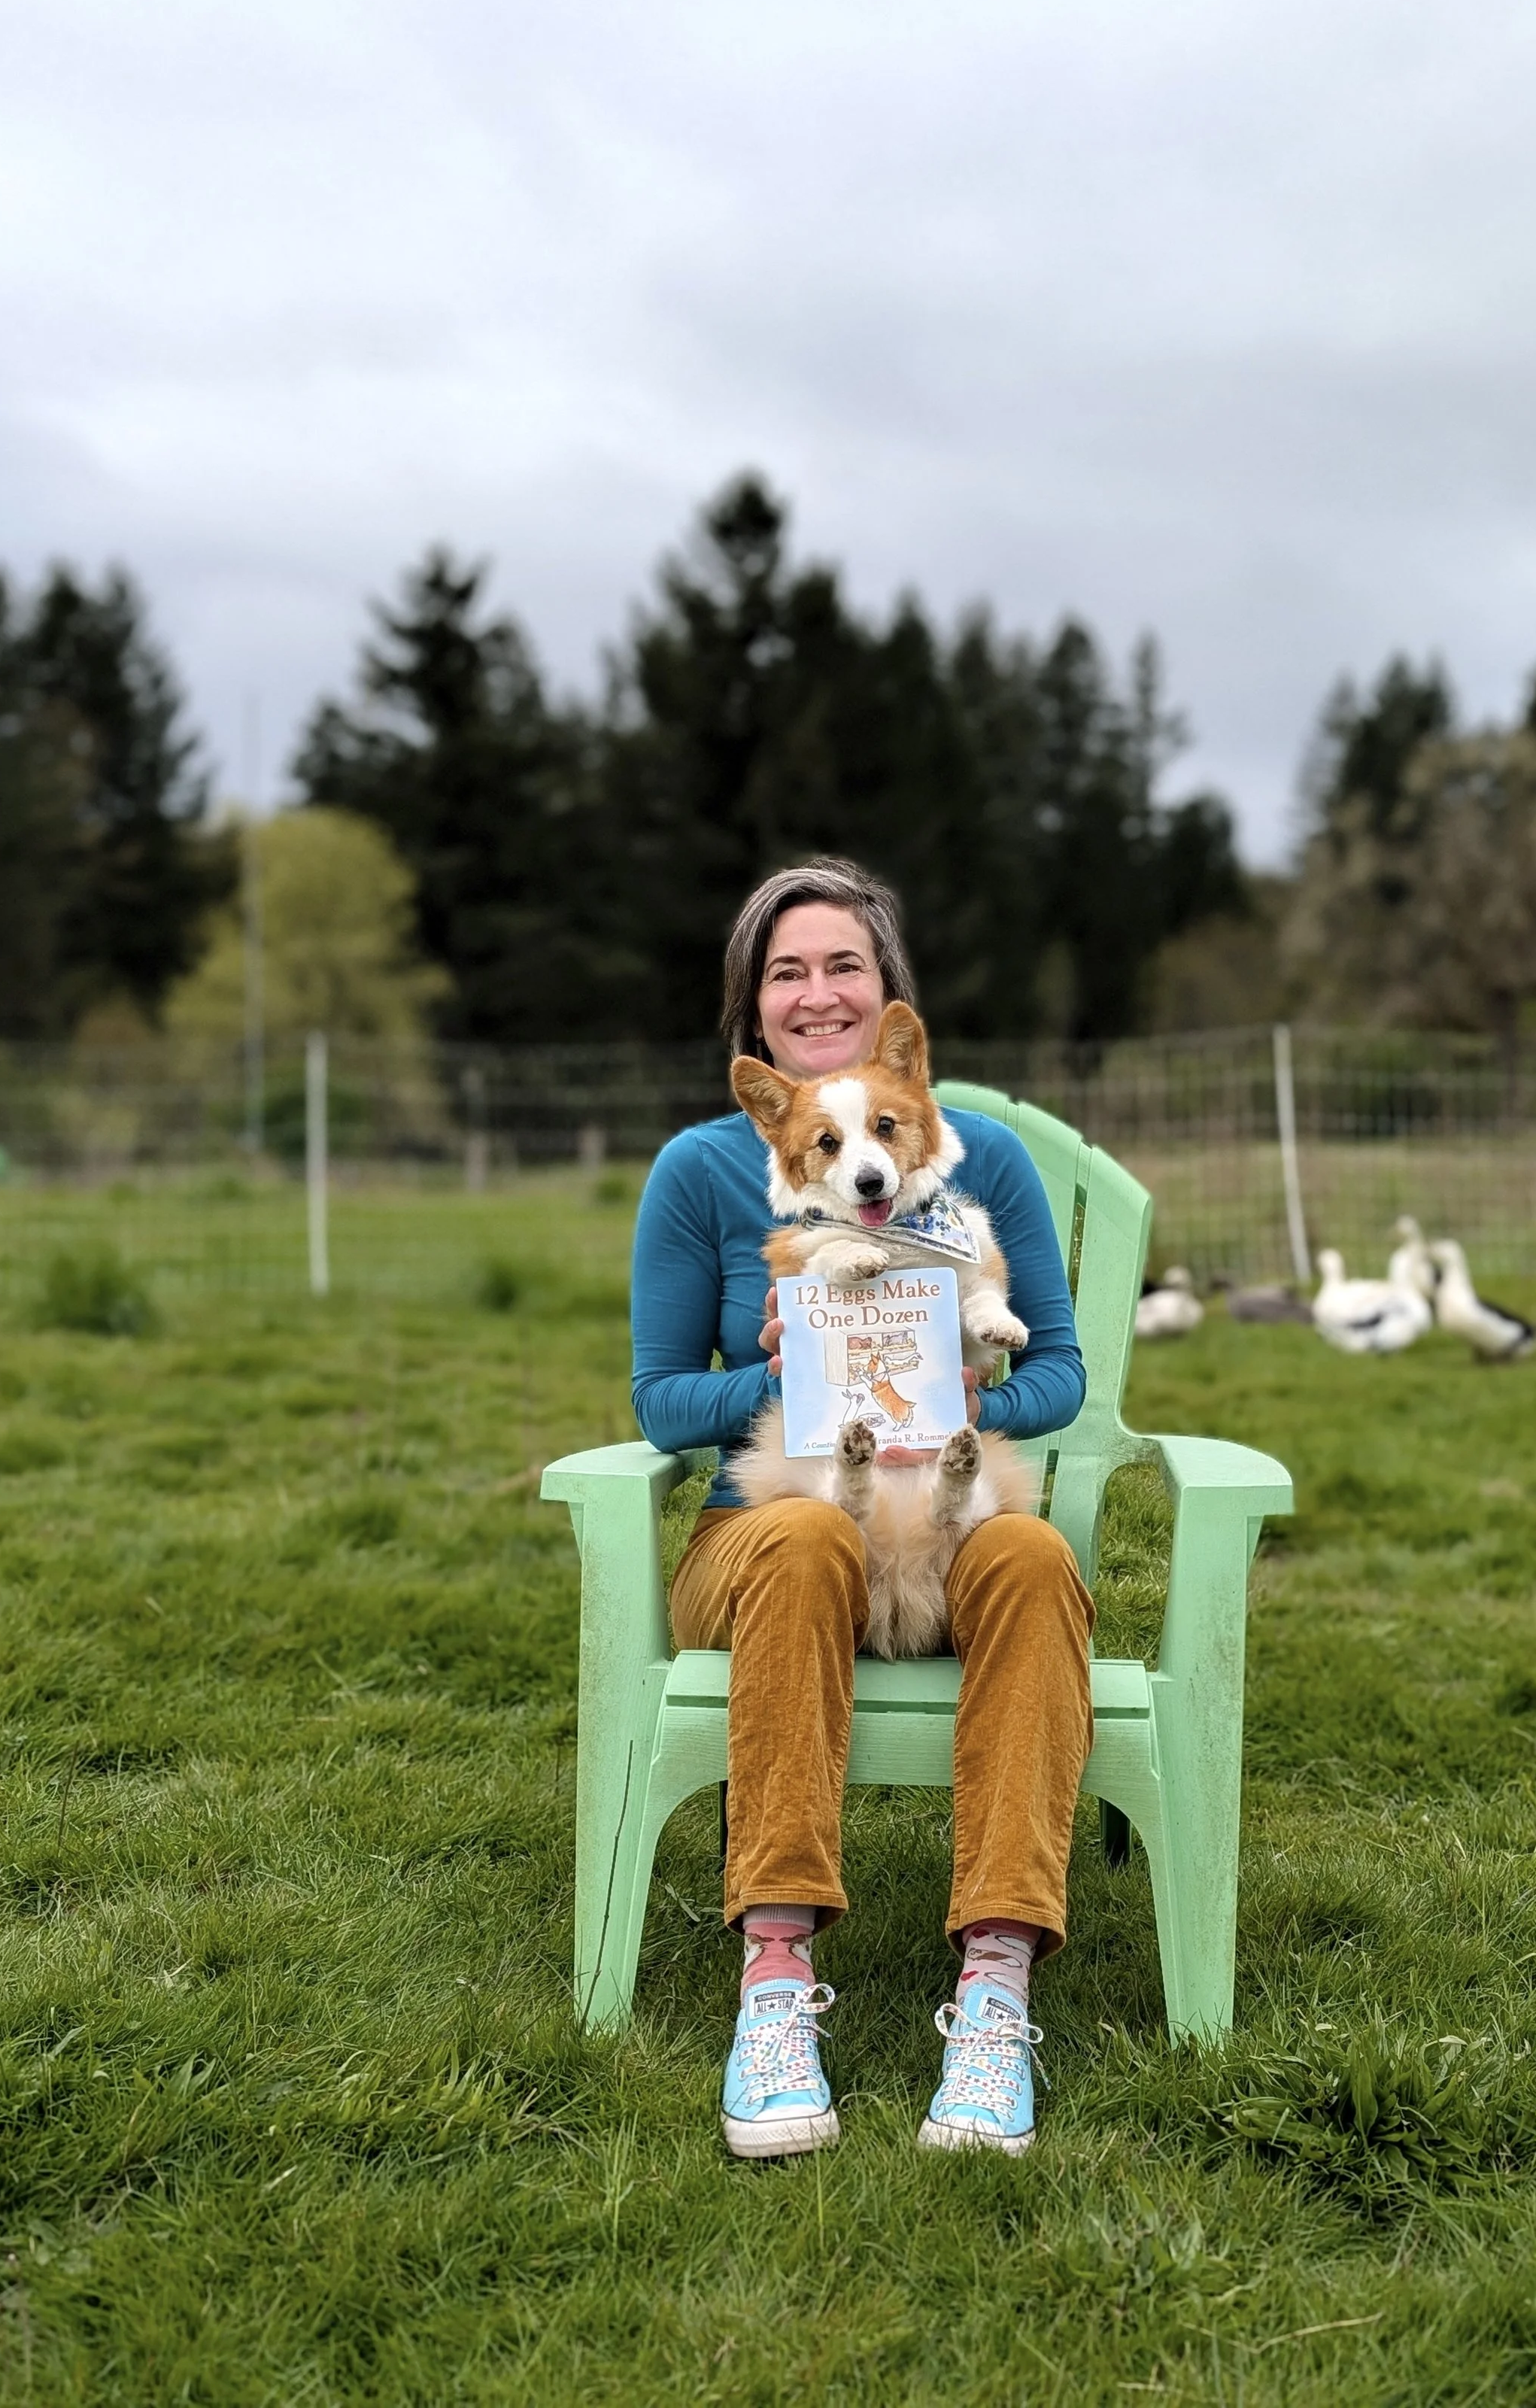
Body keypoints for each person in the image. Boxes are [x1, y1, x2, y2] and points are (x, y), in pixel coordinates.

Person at [630, 858, 1091, 2160]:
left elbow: (1058, 1370)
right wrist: (782, 1370)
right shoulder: (701, 1170)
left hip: (942, 1509)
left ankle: (995, 1992)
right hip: (774, 1526)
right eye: (787, 970)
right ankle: (775, 1985)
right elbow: (660, 1403)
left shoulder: (974, 1158)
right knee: (801, 1532)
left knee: (1036, 1559)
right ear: (753, 1006)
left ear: (891, 999)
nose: (817, 990)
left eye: (845, 965)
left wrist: (955, 1406)